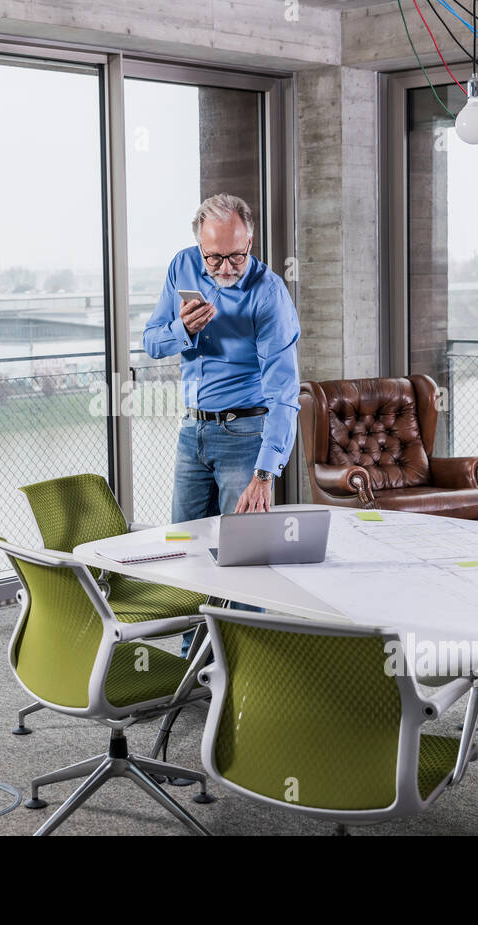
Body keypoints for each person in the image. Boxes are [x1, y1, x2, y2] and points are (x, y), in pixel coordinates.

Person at [142, 193, 300, 656]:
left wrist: (265, 473)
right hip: (192, 433)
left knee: (244, 562)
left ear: (250, 238)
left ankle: (247, 674)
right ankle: (197, 666)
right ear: (199, 246)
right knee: (187, 553)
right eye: (215, 257)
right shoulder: (182, 267)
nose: (226, 267)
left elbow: (284, 393)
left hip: (246, 435)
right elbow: (151, 342)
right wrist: (183, 330)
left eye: (236, 255)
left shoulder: (269, 293)